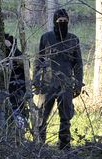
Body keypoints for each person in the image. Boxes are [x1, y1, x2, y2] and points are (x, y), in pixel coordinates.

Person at [34, 9, 83, 150]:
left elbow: (78, 63)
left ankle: (64, 145)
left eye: (64, 21)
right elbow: (39, 60)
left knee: (66, 117)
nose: (62, 23)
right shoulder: (46, 38)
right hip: (47, 84)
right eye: (59, 21)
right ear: (55, 22)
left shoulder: (73, 39)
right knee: (42, 116)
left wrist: (78, 83)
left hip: (66, 85)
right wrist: (36, 80)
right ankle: (39, 145)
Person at [4, 33, 27, 129]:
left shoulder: (18, 59)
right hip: (2, 101)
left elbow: (26, 64)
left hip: (17, 101)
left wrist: (11, 48)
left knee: (19, 127)